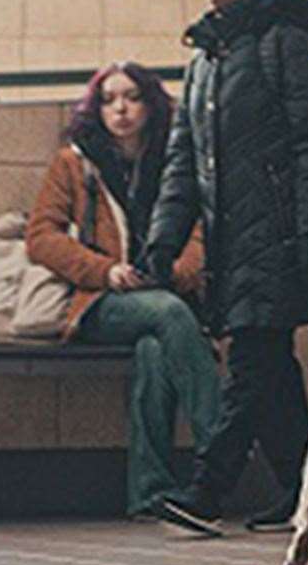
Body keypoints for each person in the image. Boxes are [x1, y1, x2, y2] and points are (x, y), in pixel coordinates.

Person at [144, 0, 308, 536]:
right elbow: (184, 158)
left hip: (280, 234)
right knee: (273, 371)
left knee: (252, 366)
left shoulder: (282, 42)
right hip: (232, 240)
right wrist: (164, 235)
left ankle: (209, 489)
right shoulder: (206, 59)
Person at [26, 62, 218, 520]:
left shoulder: (176, 162)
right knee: (170, 316)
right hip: (97, 301)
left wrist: (171, 273)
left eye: (131, 97)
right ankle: (221, 453)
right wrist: (105, 270)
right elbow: (41, 236)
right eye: (109, 100)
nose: (121, 109)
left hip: (162, 297)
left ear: (151, 104)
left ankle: (150, 495)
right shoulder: (75, 162)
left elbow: (199, 234)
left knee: (156, 349)